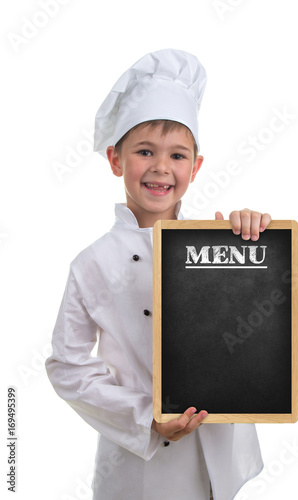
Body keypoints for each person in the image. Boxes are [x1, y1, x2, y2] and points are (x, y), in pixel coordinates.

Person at [45, 48, 271, 500]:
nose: (161, 168)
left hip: (219, 458)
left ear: (196, 167)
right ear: (115, 160)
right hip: (137, 468)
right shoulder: (91, 263)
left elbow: (258, 313)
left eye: (178, 155)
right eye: (144, 151)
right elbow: (66, 367)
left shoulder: (220, 243)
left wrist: (258, 238)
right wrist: (146, 414)